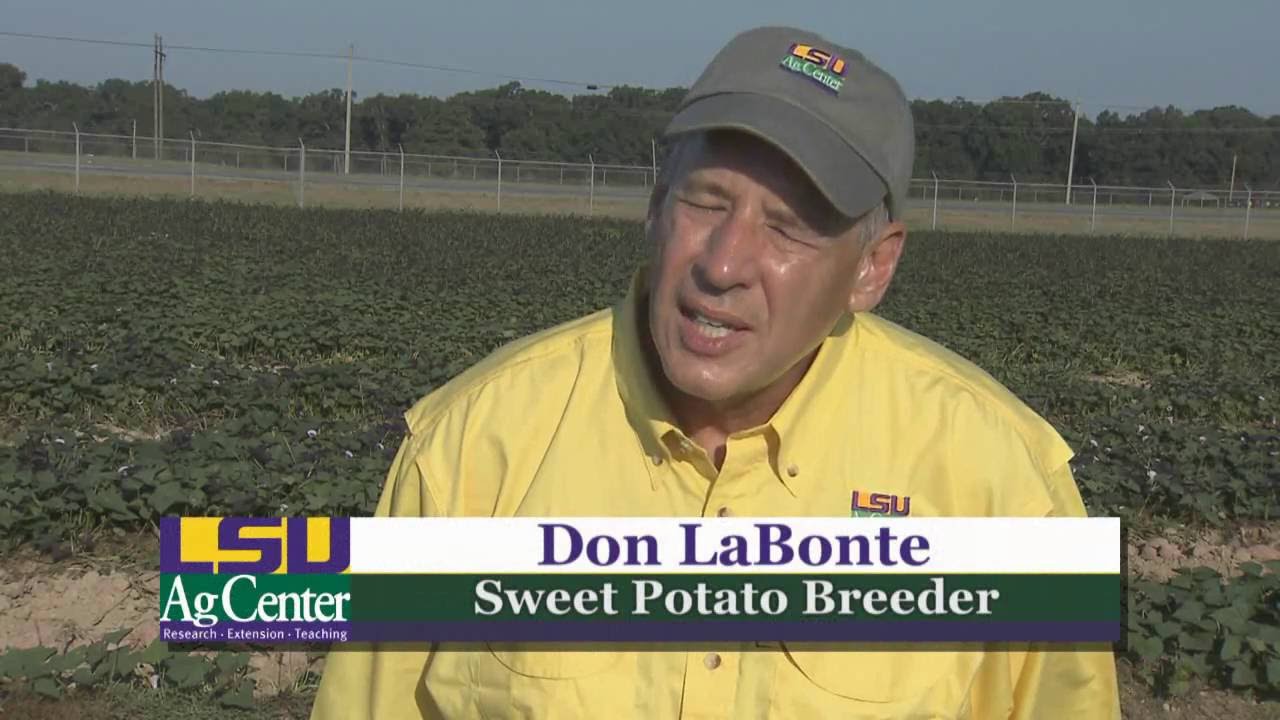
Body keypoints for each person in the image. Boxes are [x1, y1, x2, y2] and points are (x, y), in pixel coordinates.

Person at [311, 25, 1120, 720]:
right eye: (705, 202)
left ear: (872, 268)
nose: (724, 264)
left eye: (788, 227)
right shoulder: (468, 447)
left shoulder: (1006, 486)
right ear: (656, 203)